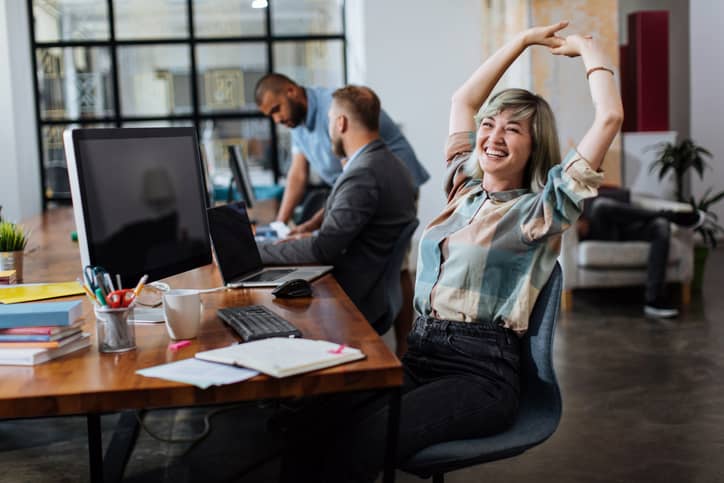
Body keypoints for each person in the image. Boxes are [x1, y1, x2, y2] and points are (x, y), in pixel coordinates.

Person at [276, 21, 623, 482]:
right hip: (420, 357)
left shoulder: (540, 211)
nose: (493, 136)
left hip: (480, 375)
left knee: (366, 442)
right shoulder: (464, 187)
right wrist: (520, 42)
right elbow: (463, 101)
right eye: (489, 125)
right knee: (307, 420)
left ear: (534, 144)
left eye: (513, 130)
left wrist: (590, 50)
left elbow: (609, 119)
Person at [255, 73, 429, 355]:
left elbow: (326, 246)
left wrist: (256, 252)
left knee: (272, 308)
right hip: (383, 192)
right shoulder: (374, 167)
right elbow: (337, 190)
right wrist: (305, 228)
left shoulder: (360, 164)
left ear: (340, 123)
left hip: (359, 295)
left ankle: (402, 355)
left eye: (329, 124)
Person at [578, 186, 705, 318]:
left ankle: (654, 300)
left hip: (622, 228)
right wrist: (577, 224)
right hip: (597, 231)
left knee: (660, 225)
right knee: (601, 205)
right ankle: (672, 216)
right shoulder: (564, 187)